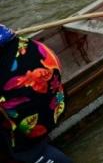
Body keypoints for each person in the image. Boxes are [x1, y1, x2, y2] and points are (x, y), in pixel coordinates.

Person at [0, 25, 72, 163]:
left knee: (25, 150)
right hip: (59, 104)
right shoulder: (33, 45)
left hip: (31, 130)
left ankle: (36, 153)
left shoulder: (7, 77)